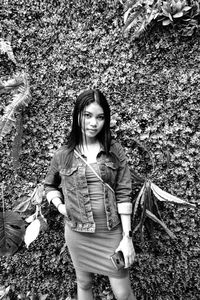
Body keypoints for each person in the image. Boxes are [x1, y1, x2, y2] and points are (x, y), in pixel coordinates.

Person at [45, 89, 137, 300]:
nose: (93, 122)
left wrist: (127, 237)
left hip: (111, 231)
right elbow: (49, 185)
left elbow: (124, 193)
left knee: (123, 293)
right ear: (77, 115)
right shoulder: (63, 154)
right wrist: (60, 206)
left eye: (100, 117)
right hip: (77, 232)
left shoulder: (114, 150)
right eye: (87, 115)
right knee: (84, 284)